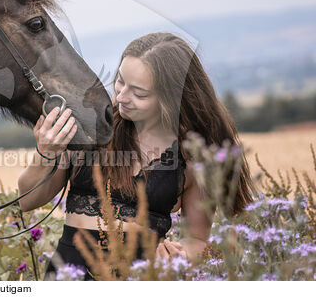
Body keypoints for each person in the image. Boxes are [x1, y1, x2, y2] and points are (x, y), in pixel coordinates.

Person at [17, 32, 254, 281]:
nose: (120, 97)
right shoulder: (90, 127)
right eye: (120, 81)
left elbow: (196, 238)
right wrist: (46, 152)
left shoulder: (193, 158)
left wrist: (181, 256)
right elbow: (27, 201)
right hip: (69, 274)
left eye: (139, 93)